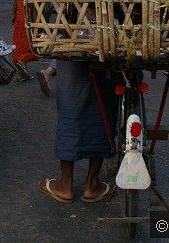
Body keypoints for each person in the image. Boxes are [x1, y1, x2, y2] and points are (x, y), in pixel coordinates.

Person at [38, 61, 117, 203]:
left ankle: (66, 184)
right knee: (102, 109)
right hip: (108, 59)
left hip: (72, 62)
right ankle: (92, 184)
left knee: (71, 103)